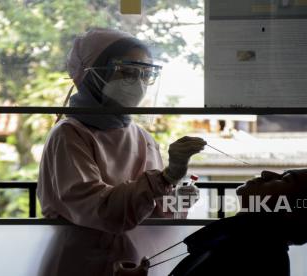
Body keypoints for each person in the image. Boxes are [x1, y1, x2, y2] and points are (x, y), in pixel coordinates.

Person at [37, 27, 206, 276]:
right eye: (126, 72)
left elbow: (152, 210)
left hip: (133, 263)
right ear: (91, 75)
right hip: (81, 265)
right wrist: (166, 177)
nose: (137, 83)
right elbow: (104, 212)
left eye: (145, 74)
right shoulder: (70, 135)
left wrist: (177, 198)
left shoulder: (141, 137)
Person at [170, 168, 307, 276]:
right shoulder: (245, 243)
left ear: (297, 212)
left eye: (284, 179)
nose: (266, 173)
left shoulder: (256, 260)